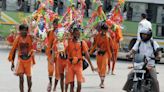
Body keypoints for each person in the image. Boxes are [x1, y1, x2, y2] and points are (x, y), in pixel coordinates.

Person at [65, 26, 95, 92]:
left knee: (79, 83)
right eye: (75, 33)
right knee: (71, 84)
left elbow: (87, 55)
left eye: (78, 34)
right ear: (72, 34)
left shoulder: (82, 43)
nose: (77, 35)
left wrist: (92, 66)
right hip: (70, 64)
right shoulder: (68, 42)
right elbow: (64, 51)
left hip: (79, 64)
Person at [8, 24, 35, 92]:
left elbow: (36, 41)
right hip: (20, 61)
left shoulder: (30, 37)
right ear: (20, 31)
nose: (24, 32)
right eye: (22, 30)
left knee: (29, 79)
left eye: (25, 30)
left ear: (27, 31)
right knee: (21, 79)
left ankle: (29, 89)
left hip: (28, 61)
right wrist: (12, 63)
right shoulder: (18, 38)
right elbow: (13, 50)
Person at [90, 22, 113, 88]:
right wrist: (92, 37)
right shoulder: (97, 36)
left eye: (106, 30)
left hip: (105, 54)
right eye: (103, 30)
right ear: (101, 30)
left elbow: (111, 47)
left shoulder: (108, 37)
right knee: (99, 68)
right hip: (99, 54)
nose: (104, 31)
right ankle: (101, 80)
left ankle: (102, 83)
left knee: (103, 68)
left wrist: (112, 56)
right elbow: (94, 44)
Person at [46, 18, 60, 92]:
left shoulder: (61, 33)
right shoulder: (49, 32)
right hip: (50, 54)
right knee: (50, 70)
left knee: (58, 72)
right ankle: (50, 83)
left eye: (57, 24)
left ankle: (55, 87)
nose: (55, 25)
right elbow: (48, 42)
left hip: (58, 55)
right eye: (54, 24)